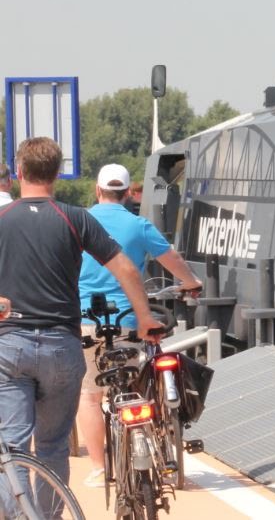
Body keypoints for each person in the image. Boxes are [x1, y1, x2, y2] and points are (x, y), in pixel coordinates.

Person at [0, 137, 164, 490]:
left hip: (10, 345)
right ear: (57, 173)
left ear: (18, 171)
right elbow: (127, 269)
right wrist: (145, 317)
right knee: (53, 445)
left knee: (11, 447)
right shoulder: (75, 218)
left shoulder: (2, 219)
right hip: (62, 344)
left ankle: (15, 512)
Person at [77, 163, 204, 486]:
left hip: (87, 321)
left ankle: (98, 469)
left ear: (98, 190)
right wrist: (191, 282)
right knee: (133, 388)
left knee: (91, 396)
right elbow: (171, 259)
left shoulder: (78, 222)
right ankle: (141, 444)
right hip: (131, 320)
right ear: (126, 194)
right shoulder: (138, 224)